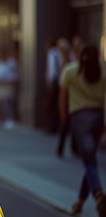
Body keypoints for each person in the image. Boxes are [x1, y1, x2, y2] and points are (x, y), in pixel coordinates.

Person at [59, 44, 106, 216]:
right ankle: (79, 202)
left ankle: (99, 193)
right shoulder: (102, 73)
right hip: (98, 118)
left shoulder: (70, 71)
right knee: (90, 159)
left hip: (80, 119)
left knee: (89, 161)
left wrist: (64, 117)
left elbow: (62, 96)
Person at [0, 47, 18, 130]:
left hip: (7, 86)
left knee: (8, 103)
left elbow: (15, 75)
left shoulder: (12, 63)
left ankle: (10, 120)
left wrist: (7, 81)